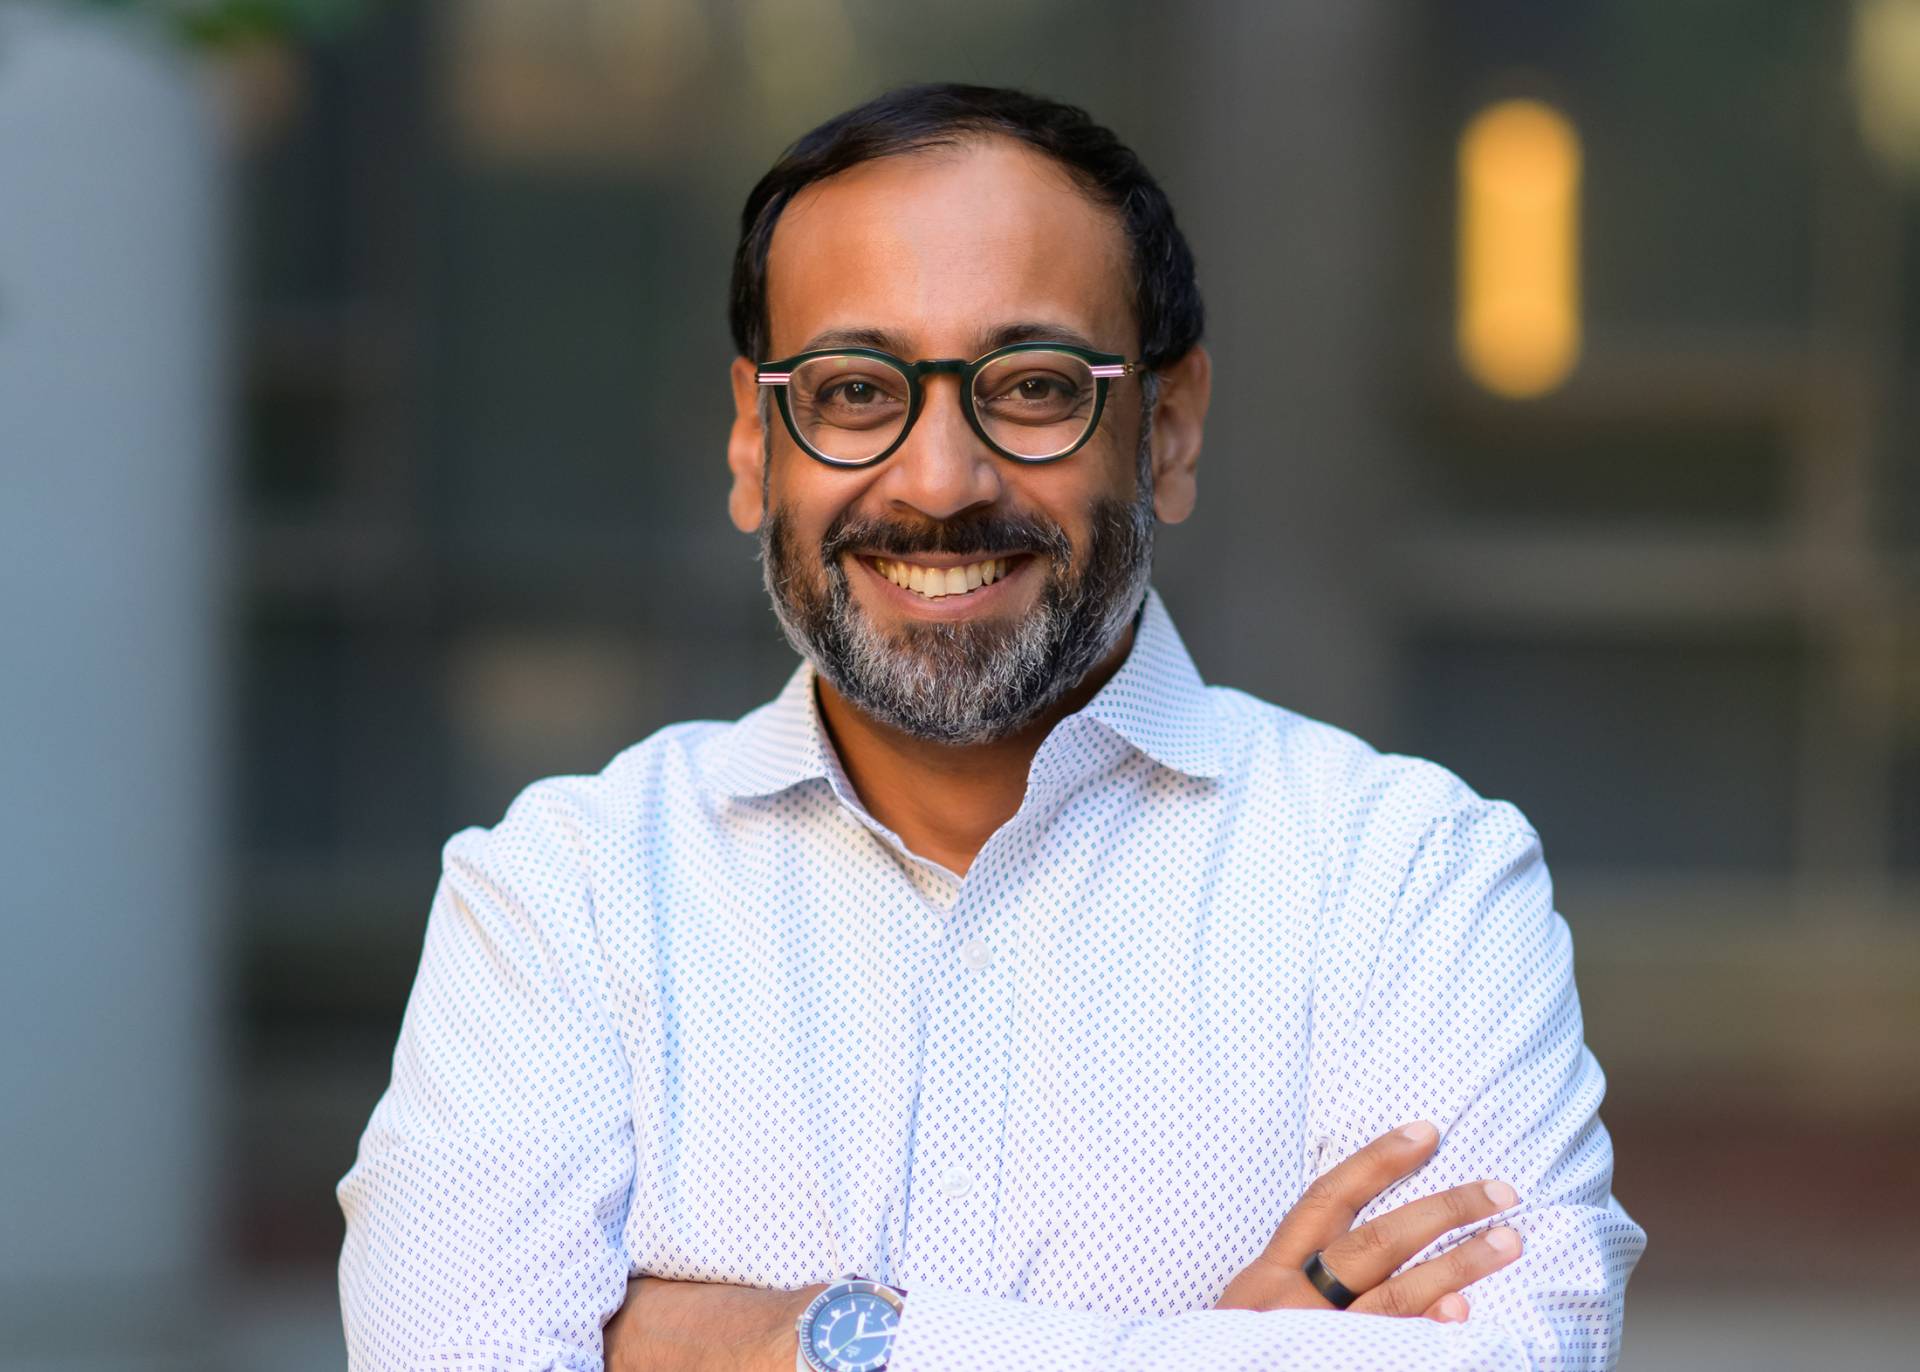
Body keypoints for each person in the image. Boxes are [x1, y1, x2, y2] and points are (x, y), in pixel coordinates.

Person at [337, 83, 1644, 1371]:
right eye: (855, 391)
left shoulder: (1407, 877)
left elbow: (1516, 1357)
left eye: (1030, 387)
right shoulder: (568, 892)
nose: (938, 481)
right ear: (753, 443)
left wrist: (801, 1341)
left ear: (1169, 430)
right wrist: (1214, 1351)